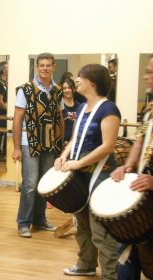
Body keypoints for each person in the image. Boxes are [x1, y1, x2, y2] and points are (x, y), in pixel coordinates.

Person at [54, 64, 121, 279]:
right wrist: (64, 155)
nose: (76, 80)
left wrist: (77, 164)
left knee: (100, 230)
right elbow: (75, 139)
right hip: (81, 172)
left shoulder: (109, 109)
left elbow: (107, 146)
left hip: (100, 175)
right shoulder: (83, 107)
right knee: (81, 223)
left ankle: (111, 275)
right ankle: (86, 264)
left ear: (92, 82)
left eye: (80, 77)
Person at [111, 54, 153, 280]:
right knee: (128, 247)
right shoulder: (150, 108)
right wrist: (128, 166)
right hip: (145, 192)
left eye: (151, 72)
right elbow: (139, 139)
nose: (146, 76)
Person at [12, 52, 63, 238]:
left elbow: (60, 119)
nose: (45, 68)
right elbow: (17, 119)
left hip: (50, 143)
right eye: (41, 65)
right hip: (29, 142)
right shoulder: (24, 89)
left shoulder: (57, 91)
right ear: (36, 67)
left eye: (48, 65)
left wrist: (61, 145)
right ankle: (23, 223)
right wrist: (16, 147)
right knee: (30, 184)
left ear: (53, 67)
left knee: (44, 184)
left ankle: (39, 220)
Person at [61, 78, 80, 144]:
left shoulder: (79, 105)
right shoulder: (59, 106)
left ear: (74, 89)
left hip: (76, 142)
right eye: (64, 88)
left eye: (69, 88)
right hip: (62, 142)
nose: (67, 90)